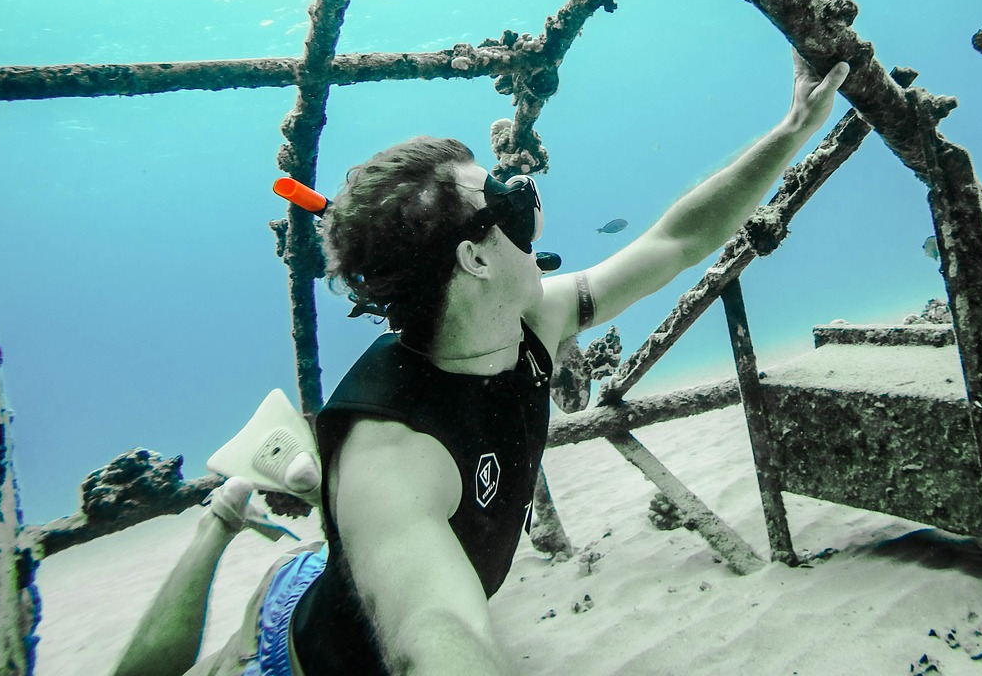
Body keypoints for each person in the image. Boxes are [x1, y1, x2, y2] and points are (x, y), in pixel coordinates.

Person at [110, 53, 848, 676]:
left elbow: (676, 243)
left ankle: (285, 489)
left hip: (335, 569)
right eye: (507, 202)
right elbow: (433, 627)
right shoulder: (394, 456)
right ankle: (221, 516)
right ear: (473, 258)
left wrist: (792, 132)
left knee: (310, 559)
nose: (532, 209)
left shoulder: (533, 319)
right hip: (293, 656)